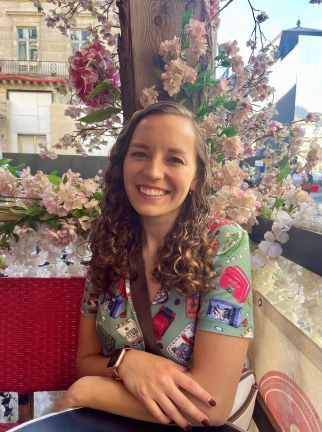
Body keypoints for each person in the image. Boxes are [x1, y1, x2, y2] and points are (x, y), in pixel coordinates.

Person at [55, 101, 253, 430]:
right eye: (140, 154)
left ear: (196, 177)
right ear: (122, 164)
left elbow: (211, 403)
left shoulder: (223, 244)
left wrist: (87, 392)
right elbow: (86, 360)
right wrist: (126, 362)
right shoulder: (109, 243)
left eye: (174, 159)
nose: (153, 171)